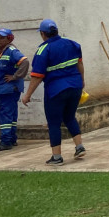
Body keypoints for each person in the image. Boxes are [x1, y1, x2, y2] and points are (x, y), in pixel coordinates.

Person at [22, 19, 85, 166]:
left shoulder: (43, 50)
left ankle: (56, 157)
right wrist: (82, 82)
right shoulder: (72, 43)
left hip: (56, 91)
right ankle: (79, 147)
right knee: (70, 117)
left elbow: (37, 76)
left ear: (43, 34)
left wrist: (27, 95)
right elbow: (79, 64)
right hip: (75, 86)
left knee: (54, 123)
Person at [0, 29, 29, 152]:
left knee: (5, 114)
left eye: (2, 38)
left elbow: (25, 62)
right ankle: (12, 138)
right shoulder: (2, 52)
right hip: (4, 88)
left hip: (9, 89)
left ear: (9, 39)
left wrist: (15, 76)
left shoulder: (11, 51)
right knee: (11, 114)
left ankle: (6, 141)